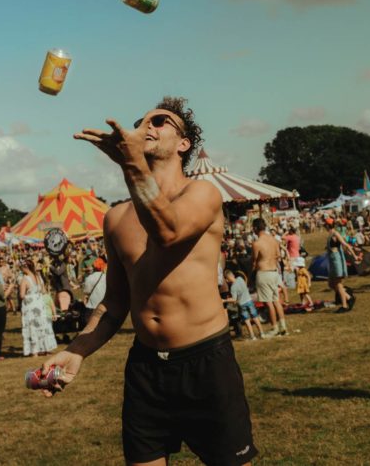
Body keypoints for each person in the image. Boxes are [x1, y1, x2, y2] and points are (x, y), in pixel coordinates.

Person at [43, 97, 258, 465]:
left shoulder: (202, 193)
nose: (148, 126)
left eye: (161, 121)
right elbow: (114, 303)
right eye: (142, 121)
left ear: (184, 143)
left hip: (206, 362)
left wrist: (131, 164)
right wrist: (77, 350)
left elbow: (168, 231)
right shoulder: (115, 218)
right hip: (146, 370)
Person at [252, 218, 288, 337]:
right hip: (274, 272)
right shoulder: (274, 240)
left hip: (263, 273)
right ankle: (283, 326)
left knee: (268, 303)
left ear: (256, 228)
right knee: (276, 300)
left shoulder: (257, 243)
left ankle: (274, 328)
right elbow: (278, 255)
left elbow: (254, 261)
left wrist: (251, 273)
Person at [20, 260, 58, 357]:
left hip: (30, 306)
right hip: (40, 304)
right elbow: (43, 291)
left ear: (25, 268)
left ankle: (35, 351)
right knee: (43, 326)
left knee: (32, 327)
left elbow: (21, 295)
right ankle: (46, 349)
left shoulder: (25, 279)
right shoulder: (38, 277)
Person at [325, 218, 358, 312]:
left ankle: (344, 305)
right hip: (332, 261)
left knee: (338, 283)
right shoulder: (330, 234)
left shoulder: (335, 234)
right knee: (331, 284)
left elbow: (346, 245)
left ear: (328, 225)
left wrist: (354, 256)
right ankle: (348, 297)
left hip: (337, 261)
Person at [224, 270, 264, 340]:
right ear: (233, 275)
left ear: (227, 280)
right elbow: (245, 279)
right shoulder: (240, 279)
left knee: (247, 320)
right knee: (255, 317)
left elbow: (234, 299)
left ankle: (252, 336)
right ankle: (262, 333)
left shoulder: (233, 288)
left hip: (242, 304)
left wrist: (225, 300)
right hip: (249, 301)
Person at [82, 260, 106, 327]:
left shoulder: (89, 277)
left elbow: (86, 291)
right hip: (103, 304)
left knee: (89, 324)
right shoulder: (106, 277)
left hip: (92, 304)